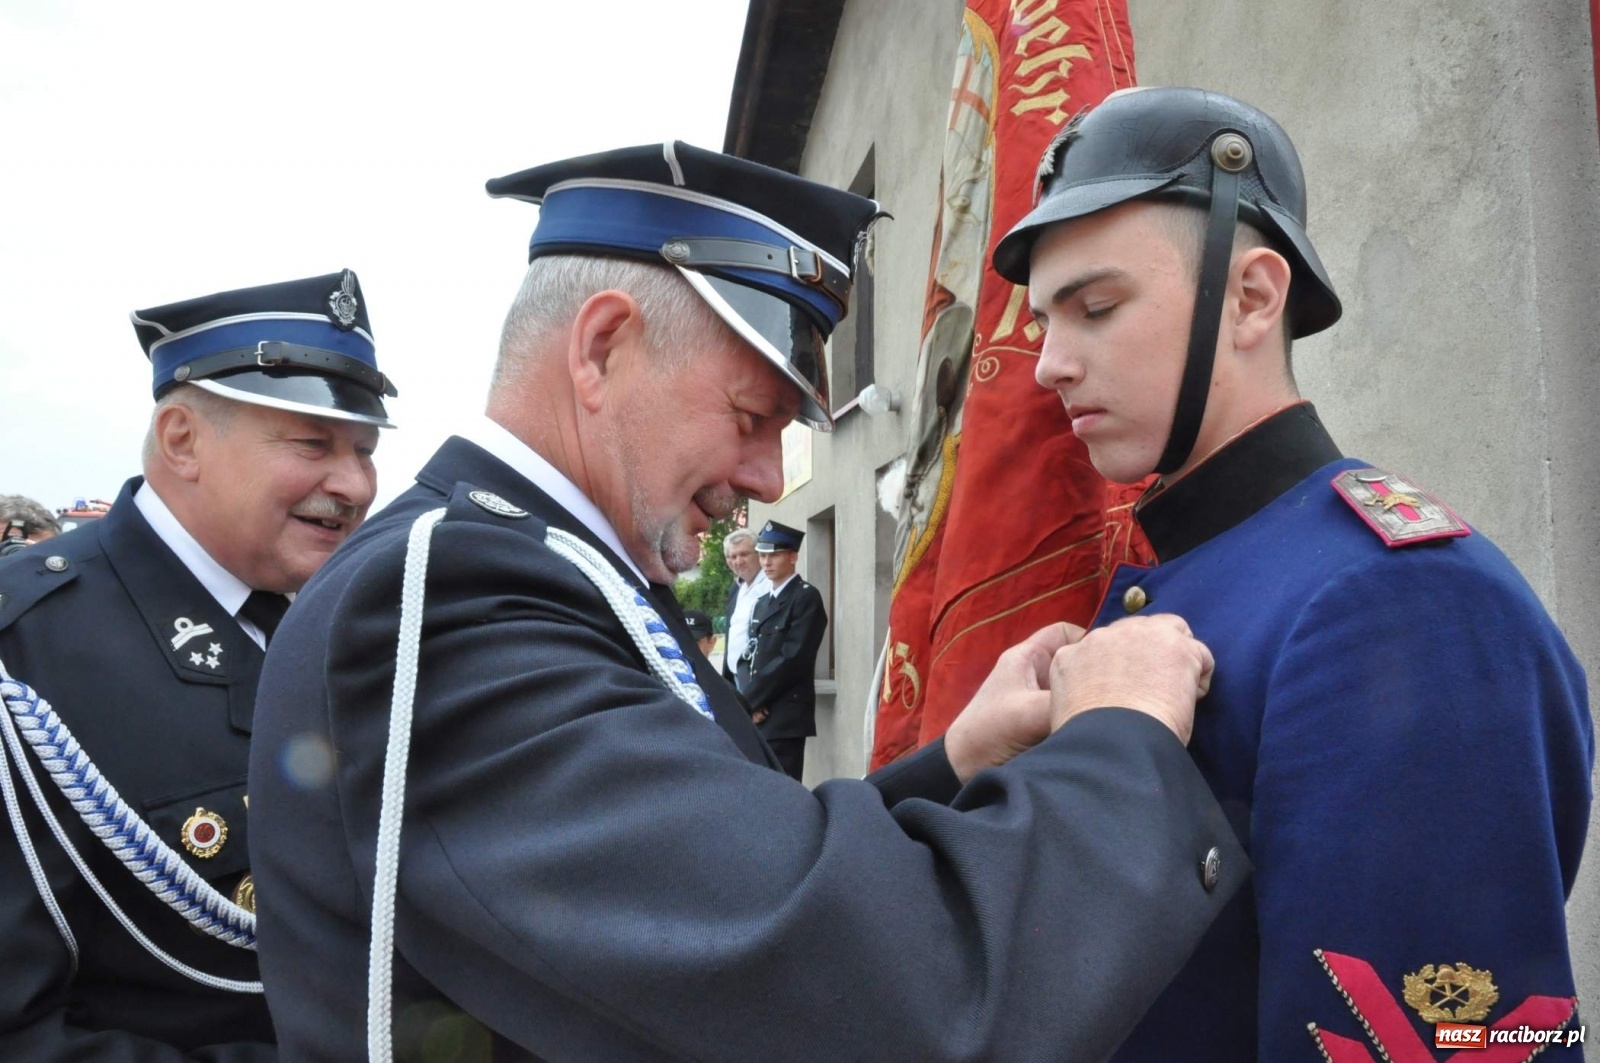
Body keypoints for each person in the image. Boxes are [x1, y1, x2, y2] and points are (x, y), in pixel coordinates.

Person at [248, 141, 1247, 1063]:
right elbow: (875, 994)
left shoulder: (544, 571)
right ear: (602, 348)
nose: (769, 477)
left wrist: (956, 762)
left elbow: (722, 870)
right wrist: (1121, 738)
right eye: (750, 414)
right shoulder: (448, 599)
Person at [992, 86, 1594, 1061]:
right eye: (1044, 322)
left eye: (1096, 307)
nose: (1048, 364)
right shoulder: (1209, 569)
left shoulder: (1403, 604)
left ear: (1251, 298)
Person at [0, 270, 395, 1061]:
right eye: (313, 443)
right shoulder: (27, 647)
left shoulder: (344, 622)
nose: (355, 484)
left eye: (365, 450)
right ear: (182, 440)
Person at [735, 520, 827, 780]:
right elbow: (749, 656)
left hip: (785, 715)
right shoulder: (762, 602)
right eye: (763, 555)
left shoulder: (805, 597)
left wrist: (751, 701)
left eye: (774, 555)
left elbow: (793, 658)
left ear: (793, 557)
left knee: (783, 786)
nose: (766, 563)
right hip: (758, 713)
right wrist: (749, 701)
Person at [719, 525, 768, 689]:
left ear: (759, 554)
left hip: (760, 681)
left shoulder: (772, 586)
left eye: (744, 554)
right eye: (732, 556)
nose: (738, 561)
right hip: (736, 677)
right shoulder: (737, 587)